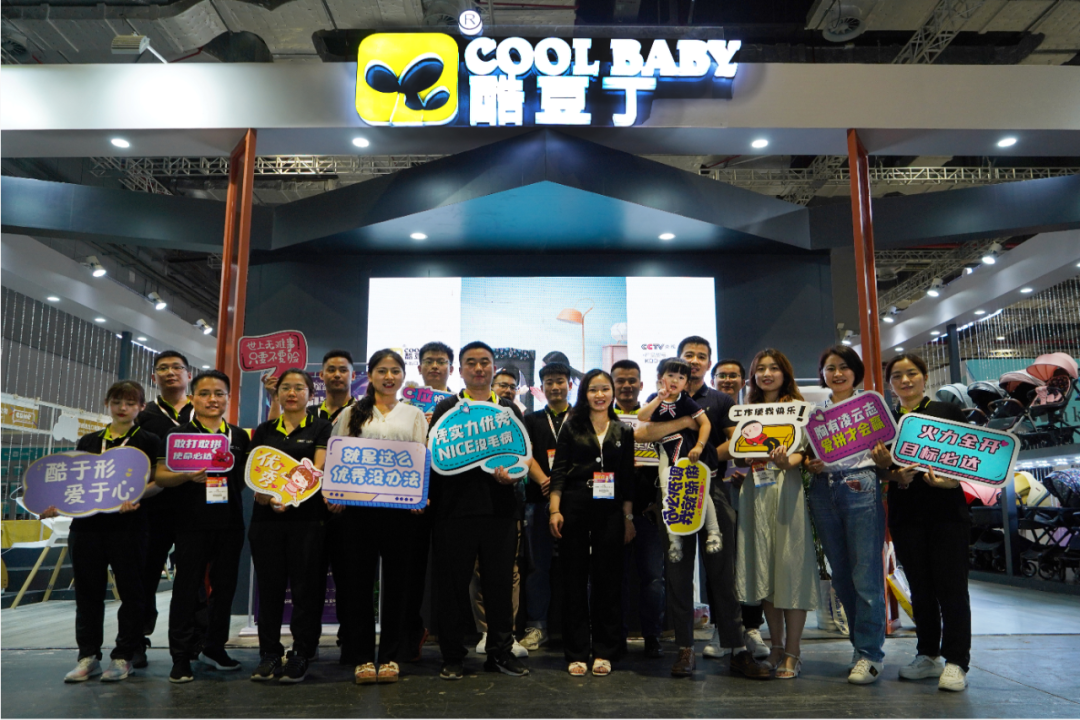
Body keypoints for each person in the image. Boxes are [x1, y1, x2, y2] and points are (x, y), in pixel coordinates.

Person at [429, 341, 529, 680]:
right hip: (454, 512)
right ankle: (452, 656)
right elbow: (434, 458)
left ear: (493, 368)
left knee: (499, 586)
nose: (478, 368)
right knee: (452, 586)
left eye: (484, 362)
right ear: (460, 370)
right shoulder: (447, 409)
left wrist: (512, 475)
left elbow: (522, 458)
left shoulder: (508, 410)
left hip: (500, 512)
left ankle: (500, 652)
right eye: (471, 363)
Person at [329, 350, 429, 684]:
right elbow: (337, 455)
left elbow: (422, 457)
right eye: (382, 371)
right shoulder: (351, 413)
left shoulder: (414, 414)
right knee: (357, 584)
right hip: (358, 512)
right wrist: (335, 495)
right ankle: (361, 657)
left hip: (401, 512)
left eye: (395, 371)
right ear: (370, 375)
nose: (389, 377)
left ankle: (390, 656)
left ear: (403, 376)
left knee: (399, 585)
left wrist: (420, 495)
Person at [47, 381, 157, 683]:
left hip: (129, 526)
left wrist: (137, 496)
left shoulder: (148, 440)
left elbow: (158, 481)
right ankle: (88, 656)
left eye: (130, 403)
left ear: (141, 407)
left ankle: (123, 656)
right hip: (87, 526)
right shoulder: (90, 440)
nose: (123, 408)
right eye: (117, 401)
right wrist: (54, 503)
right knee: (88, 593)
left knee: (132, 592)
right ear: (107, 403)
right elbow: (75, 482)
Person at [154, 370, 251, 684]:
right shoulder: (178, 436)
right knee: (186, 588)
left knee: (224, 589)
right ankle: (181, 656)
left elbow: (243, 479)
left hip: (230, 523)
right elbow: (160, 475)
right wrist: (186, 475)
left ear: (228, 398)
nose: (213, 399)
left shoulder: (239, 436)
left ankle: (215, 647)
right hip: (191, 523)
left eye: (219, 393)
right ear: (192, 398)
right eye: (205, 393)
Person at [882, 353, 972, 692]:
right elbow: (879, 468)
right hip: (906, 515)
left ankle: (956, 661)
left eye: (912, 373)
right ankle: (928, 654)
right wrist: (891, 474)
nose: (905, 381)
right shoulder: (887, 421)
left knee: (952, 588)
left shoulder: (946, 412)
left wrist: (950, 482)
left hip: (947, 512)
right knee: (920, 588)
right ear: (890, 384)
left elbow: (969, 459)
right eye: (897, 376)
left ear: (924, 376)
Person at [804, 346, 892, 684]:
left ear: (856, 371)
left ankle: (871, 654)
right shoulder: (816, 413)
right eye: (830, 368)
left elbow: (889, 456)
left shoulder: (871, 407)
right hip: (823, 489)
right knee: (841, 575)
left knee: (865, 575)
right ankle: (860, 648)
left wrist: (884, 460)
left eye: (843, 367)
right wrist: (811, 464)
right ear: (822, 374)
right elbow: (809, 456)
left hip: (861, 484)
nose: (837, 373)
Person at [735, 349, 819, 680]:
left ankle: (794, 652)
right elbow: (740, 454)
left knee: (791, 567)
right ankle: (777, 647)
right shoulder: (748, 411)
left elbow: (804, 453)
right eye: (760, 369)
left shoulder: (799, 410)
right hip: (756, 491)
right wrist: (744, 456)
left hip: (787, 489)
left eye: (773, 368)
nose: (767, 374)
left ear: (785, 373)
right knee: (765, 570)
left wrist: (788, 461)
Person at [247, 368, 333, 683]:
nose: (292, 393)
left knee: (306, 590)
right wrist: (263, 494)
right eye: (286, 387)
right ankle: (269, 653)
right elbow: (255, 470)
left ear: (311, 394)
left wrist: (287, 495)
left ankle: (301, 652)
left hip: (307, 520)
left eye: (299, 387)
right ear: (278, 393)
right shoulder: (265, 429)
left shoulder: (321, 427)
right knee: (269, 589)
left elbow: (317, 470)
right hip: (266, 521)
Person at [549, 369, 636, 676]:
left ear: (612, 393)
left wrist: (628, 517)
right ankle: (576, 651)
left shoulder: (623, 430)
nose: (600, 395)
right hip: (574, 506)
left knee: (608, 581)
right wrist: (554, 510)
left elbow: (627, 479)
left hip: (610, 511)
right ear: (584, 393)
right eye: (593, 389)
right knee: (573, 581)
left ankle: (604, 651)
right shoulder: (572, 426)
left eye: (605, 389)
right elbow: (559, 471)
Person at [134, 350, 194, 667]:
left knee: (193, 579)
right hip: (152, 508)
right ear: (154, 376)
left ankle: (192, 642)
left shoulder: (202, 411)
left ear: (188, 374)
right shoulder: (143, 415)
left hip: (194, 508)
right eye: (163, 368)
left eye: (177, 367)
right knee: (145, 575)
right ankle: (136, 639)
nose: (170, 372)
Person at [709, 356, 767, 657]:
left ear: (744, 381)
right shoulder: (707, 412)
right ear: (713, 380)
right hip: (716, 492)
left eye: (733, 375)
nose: (727, 380)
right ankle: (722, 627)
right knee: (719, 562)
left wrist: (750, 476)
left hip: (753, 492)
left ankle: (752, 627)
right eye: (722, 375)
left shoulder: (755, 413)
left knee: (750, 559)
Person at [638, 357, 721, 561]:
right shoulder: (654, 397)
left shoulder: (686, 401)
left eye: (681, 377)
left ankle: (714, 532)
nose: (675, 380)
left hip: (688, 452)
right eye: (671, 375)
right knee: (668, 494)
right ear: (661, 377)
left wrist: (699, 446)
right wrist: (658, 398)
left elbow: (705, 424)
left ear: (687, 382)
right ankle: (674, 542)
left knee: (700, 490)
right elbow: (641, 417)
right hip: (665, 452)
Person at [470, 367, 529, 658]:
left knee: (509, 573)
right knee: (476, 571)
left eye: (511, 387)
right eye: (502, 385)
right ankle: (485, 631)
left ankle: (507, 633)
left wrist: (517, 475)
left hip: (508, 504)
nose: (507, 390)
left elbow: (525, 455)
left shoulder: (514, 415)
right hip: (472, 506)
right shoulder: (469, 416)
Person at [404, 341, 456, 662]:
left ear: (451, 367)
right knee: (411, 569)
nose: (435, 366)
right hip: (412, 496)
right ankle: (411, 633)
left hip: (450, 494)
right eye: (429, 361)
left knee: (453, 568)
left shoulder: (460, 405)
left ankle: (455, 636)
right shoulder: (404, 406)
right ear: (419, 367)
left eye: (441, 361)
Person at [611, 359, 666, 659]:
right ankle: (615, 637)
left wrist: (660, 500)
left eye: (632, 380)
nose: (626, 385)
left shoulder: (654, 419)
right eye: (620, 380)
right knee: (613, 579)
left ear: (641, 384)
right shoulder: (603, 420)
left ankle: (653, 637)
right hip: (611, 513)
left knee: (653, 579)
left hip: (649, 512)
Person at [519, 361, 573, 652]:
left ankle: (579, 626)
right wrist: (545, 481)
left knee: (577, 566)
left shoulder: (581, 418)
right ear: (541, 388)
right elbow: (524, 454)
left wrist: (562, 485)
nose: (555, 387)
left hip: (574, 503)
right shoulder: (532, 420)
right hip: (539, 501)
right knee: (537, 567)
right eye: (549, 382)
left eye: (560, 381)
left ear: (570, 385)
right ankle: (537, 626)